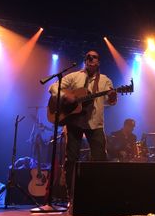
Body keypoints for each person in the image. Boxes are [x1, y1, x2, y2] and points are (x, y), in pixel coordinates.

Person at [48, 50, 117, 198]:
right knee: (71, 159)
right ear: (85, 61)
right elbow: (53, 87)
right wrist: (67, 96)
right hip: (74, 122)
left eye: (95, 57)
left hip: (95, 124)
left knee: (100, 159)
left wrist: (112, 97)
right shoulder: (74, 76)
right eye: (88, 57)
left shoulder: (105, 80)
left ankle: (98, 195)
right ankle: (71, 196)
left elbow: (110, 102)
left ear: (99, 62)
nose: (91, 59)